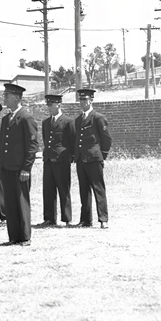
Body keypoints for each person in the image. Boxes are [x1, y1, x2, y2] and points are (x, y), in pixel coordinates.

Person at [0, 83, 39, 246]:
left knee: (21, 202)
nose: (4, 99)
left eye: (6, 96)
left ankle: (25, 236)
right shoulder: (6, 118)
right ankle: (14, 236)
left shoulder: (26, 117)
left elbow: (32, 146)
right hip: (7, 167)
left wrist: (26, 168)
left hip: (20, 169)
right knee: (10, 202)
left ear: (16, 97)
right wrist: (1, 166)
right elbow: (2, 145)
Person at [74, 89, 112, 229]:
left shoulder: (98, 118)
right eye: (81, 100)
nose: (82, 102)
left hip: (94, 159)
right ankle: (85, 220)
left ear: (91, 100)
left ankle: (103, 219)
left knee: (98, 189)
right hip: (81, 159)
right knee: (84, 190)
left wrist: (102, 156)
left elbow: (107, 139)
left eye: (85, 99)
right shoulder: (78, 120)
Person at [42, 94, 75, 227]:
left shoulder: (68, 121)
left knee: (63, 188)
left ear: (59, 105)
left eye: (51, 105)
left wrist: (70, 157)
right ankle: (49, 218)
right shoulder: (45, 122)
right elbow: (46, 140)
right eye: (48, 105)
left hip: (62, 159)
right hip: (49, 159)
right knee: (48, 190)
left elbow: (72, 140)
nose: (49, 107)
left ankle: (67, 218)